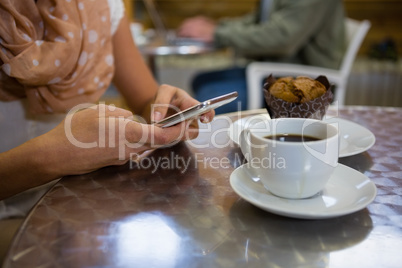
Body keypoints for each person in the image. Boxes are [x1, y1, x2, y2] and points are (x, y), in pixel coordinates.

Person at [0, 0, 214, 262]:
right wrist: (52, 157)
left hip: (79, 202)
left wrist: (165, 111)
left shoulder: (101, 5)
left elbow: (146, 99)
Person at [177, 0, 346, 113]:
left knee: (207, 97)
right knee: (200, 80)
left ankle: (221, 160)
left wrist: (217, 33)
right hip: (274, 70)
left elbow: (282, 39)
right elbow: (259, 21)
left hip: (300, 83)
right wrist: (217, 27)